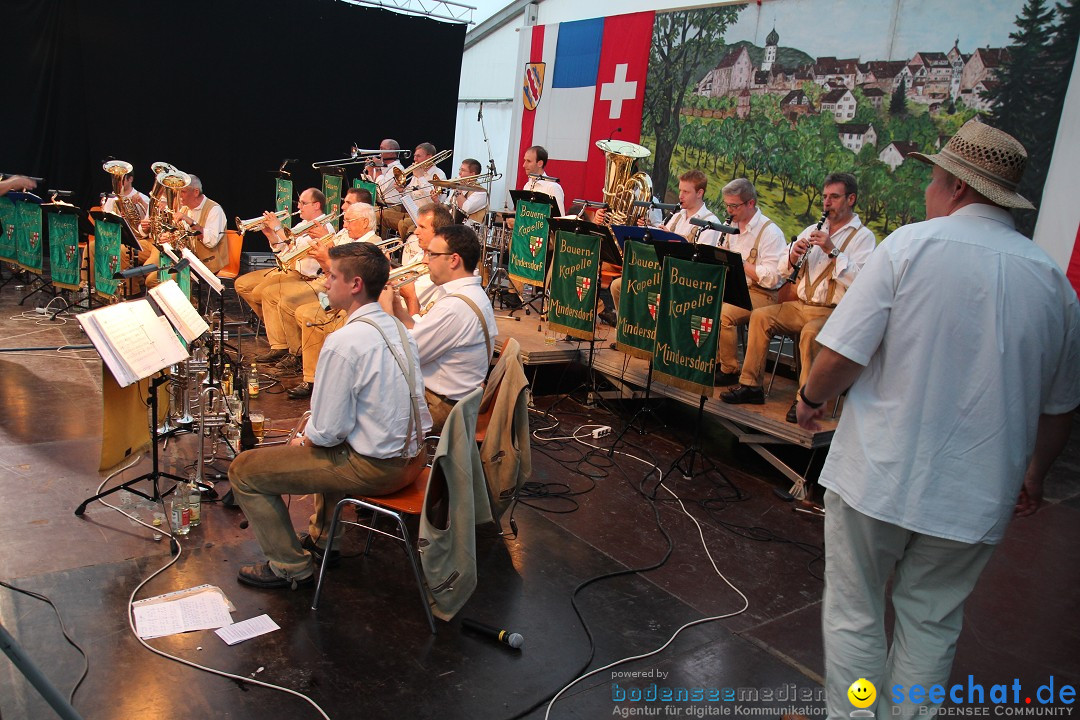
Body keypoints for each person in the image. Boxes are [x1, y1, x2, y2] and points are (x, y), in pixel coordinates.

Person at [792, 120, 1080, 720]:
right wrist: (1035, 475)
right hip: (976, 493)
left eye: (931, 177)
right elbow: (1060, 408)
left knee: (857, 612)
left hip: (880, 472)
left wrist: (811, 399)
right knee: (932, 620)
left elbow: (841, 354)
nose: (929, 189)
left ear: (954, 188)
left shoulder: (909, 246)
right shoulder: (1053, 283)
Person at [229, 242, 432, 589]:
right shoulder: (398, 328)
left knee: (245, 471)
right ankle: (324, 541)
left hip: (381, 470)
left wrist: (304, 439)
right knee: (329, 445)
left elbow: (327, 432)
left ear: (354, 285)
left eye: (330, 275)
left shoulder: (346, 341)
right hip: (417, 458)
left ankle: (289, 566)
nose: (324, 283)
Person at [721, 172, 875, 422]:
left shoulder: (863, 237)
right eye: (825, 197)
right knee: (760, 317)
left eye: (834, 197)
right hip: (801, 305)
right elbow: (782, 270)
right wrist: (793, 256)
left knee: (811, 333)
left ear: (851, 199)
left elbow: (861, 281)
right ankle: (751, 386)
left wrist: (832, 250)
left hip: (834, 311)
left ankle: (805, 401)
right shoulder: (812, 228)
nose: (827, 203)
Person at [380, 223, 496, 433]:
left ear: (454, 259)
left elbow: (405, 356)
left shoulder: (455, 306)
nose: (425, 261)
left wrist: (386, 310)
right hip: (447, 397)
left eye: (431, 254)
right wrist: (398, 308)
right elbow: (420, 333)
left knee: (362, 398)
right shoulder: (465, 294)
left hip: (440, 406)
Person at [288, 200, 381, 400]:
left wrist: (327, 258)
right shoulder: (348, 239)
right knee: (307, 314)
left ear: (365, 222)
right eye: (345, 221)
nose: (345, 226)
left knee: (310, 315)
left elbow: (353, 282)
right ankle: (312, 377)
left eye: (349, 221)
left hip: (356, 304)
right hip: (338, 294)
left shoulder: (373, 244)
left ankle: (329, 379)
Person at [234, 187, 332, 365]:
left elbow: (299, 251)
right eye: (299, 203)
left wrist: (278, 227)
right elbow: (283, 249)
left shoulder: (322, 227)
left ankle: (281, 345)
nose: (299, 206)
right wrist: (271, 234)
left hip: (306, 277)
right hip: (290, 270)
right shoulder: (302, 225)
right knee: (242, 284)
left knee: (264, 294)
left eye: (303, 203)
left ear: (316, 205)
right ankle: (277, 331)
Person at [610, 170, 721, 318]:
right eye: (680, 190)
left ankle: (648, 330)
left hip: (684, 280)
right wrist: (649, 231)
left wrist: (671, 238)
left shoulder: (711, 222)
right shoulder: (677, 215)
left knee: (642, 290)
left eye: (686, 192)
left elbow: (701, 262)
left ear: (700, 193)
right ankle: (629, 331)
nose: (680, 195)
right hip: (662, 273)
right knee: (618, 286)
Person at [714, 178, 787, 385]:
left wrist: (740, 263)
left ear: (750, 204)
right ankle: (707, 360)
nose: (729, 210)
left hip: (761, 294)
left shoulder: (770, 233)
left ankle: (728, 369)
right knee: (702, 302)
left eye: (734, 206)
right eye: (726, 205)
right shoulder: (730, 226)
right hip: (734, 288)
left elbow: (774, 278)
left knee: (724, 314)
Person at [384, 142, 447, 240]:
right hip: (412, 213)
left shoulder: (439, 174)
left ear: (429, 157)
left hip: (427, 218)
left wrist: (421, 177)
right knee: (382, 214)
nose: (414, 159)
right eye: (414, 156)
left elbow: (435, 201)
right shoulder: (417, 173)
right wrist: (402, 191)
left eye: (418, 156)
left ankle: (405, 251)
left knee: (404, 224)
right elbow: (412, 196)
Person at [171, 174, 228, 273]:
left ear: (196, 192)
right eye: (178, 191)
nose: (179, 195)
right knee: (156, 276)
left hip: (208, 264)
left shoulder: (214, 209)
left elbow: (211, 241)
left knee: (157, 280)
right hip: (188, 261)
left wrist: (190, 221)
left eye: (183, 192)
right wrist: (170, 237)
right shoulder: (184, 209)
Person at [449, 158, 489, 223]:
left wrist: (458, 190)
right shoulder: (459, 186)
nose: (459, 173)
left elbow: (465, 209)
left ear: (472, 174)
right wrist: (436, 200)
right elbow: (448, 205)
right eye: (460, 169)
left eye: (463, 170)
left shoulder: (481, 192)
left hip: (468, 230)